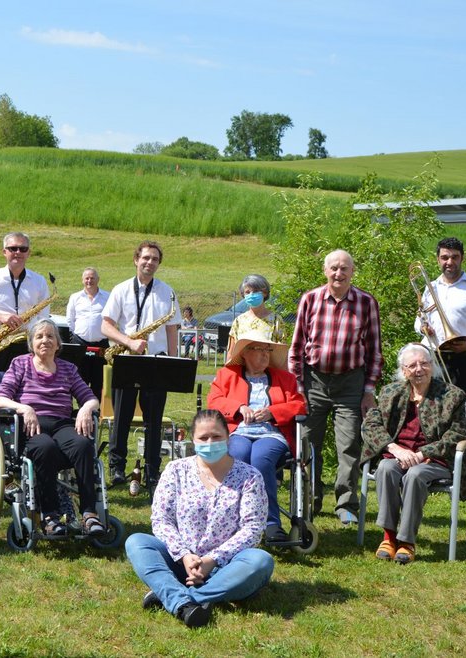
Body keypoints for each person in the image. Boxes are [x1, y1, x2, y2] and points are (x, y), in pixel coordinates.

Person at [124, 409, 273, 628]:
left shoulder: (250, 476)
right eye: (203, 438)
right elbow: (161, 519)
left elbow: (252, 529)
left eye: (216, 436)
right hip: (179, 561)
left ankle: (177, 597)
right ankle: (187, 599)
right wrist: (185, 556)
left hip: (227, 566)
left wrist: (211, 560)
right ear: (193, 440)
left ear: (228, 438)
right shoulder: (176, 470)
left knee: (261, 561)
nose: (210, 442)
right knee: (136, 542)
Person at [289, 249, 384, 525]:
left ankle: (346, 503)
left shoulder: (366, 303)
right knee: (308, 444)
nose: (338, 273)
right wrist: (298, 387)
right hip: (314, 381)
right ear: (325, 270)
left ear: (352, 272)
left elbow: (375, 351)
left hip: (350, 382)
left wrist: (368, 390)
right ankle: (309, 500)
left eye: (344, 268)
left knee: (349, 445)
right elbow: (296, 347)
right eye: (333, 268)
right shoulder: (310, 299)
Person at [0, 319, 104, 536]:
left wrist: (85, 409)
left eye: (50, 336)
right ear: (31, 343)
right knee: (46, 448)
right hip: (31, 425)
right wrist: (25, 408)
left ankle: (89, 514)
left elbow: (91, 399)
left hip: (62, 424)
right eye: (39, 336)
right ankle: (50, 516)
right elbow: (1, 400)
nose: (45, 340)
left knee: (83, 445)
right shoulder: (20, 364)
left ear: (58, 343)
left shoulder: (68, 368)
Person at [360, 343, 466, 564]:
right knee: (385, 468)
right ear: (404, 370)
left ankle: (407, 541)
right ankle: (389, 537)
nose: (419, 369)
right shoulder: (391, 392)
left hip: (433, 459)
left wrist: (422, 454)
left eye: (424, 363)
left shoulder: (452, 395)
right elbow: (371, 423)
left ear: (432, 366)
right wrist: (394, 448)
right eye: (412, 365)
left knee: (415, 475)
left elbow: (457, 433)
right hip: (398, 456)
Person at [208, 318, 306, 543]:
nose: (265, 354)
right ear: (245, 353)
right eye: (259, 349)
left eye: (267, 349)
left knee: (261, 459)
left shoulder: (285, 378)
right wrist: (239, 408)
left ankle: (271, 524)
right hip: (239, 431)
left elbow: (300, 405)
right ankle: (234, 521)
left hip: (271, 433)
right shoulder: (227, 375)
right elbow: (214, 401)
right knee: (239, 457)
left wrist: (273, 412)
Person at [102, 240, 181, 487]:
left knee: (154, 421)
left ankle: (152, 470)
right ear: (136, 259)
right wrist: (129, 341)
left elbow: (171, 329)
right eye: (146, 258)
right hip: (126, 357)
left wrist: (173, 360)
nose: (150, 262)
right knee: (121, 417)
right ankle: (116, 467)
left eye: (155, 259)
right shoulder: (121, 289)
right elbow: (105, 325)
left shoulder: (167, 291)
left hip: (156, 361)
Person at [0, 232, 51, 417]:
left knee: (26, 396)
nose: (18, 252)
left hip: (26, 346)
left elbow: (44, 318)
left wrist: (32, 331)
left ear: (29, 253)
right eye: (13, 248)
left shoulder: (38, 281)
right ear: (4, 252)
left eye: (23, 249)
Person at [414, 237, 466, 396]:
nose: (449, 262)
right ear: (437, 259)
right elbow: (419, 321)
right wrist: (423, 328)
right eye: (445, 257)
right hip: (431, 356)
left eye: (455, 257)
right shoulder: (430, 287)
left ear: (462, 258)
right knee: (429, 407)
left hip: (462, 356)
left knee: (460, 408)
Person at [65, 267, 109, 399]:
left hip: (101, 344)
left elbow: (113, 318)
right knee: (80, 378)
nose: (89, 281)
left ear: (98, 280)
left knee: (98, 379)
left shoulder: (108, 296)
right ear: (82, 280)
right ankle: (81, 408)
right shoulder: (75, 297)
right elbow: (70, 319)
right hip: (80, 343)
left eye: (92, 278)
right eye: (87, 278)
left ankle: (95, 410)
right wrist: (79, 333)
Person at [226, 274, 286, 360]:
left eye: (255, 291)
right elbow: (231, 354)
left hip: (268, 369)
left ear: (265, 293)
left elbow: (282, 354)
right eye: (247, 292)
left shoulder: (276, 320)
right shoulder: (238, 321)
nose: (251, 294)